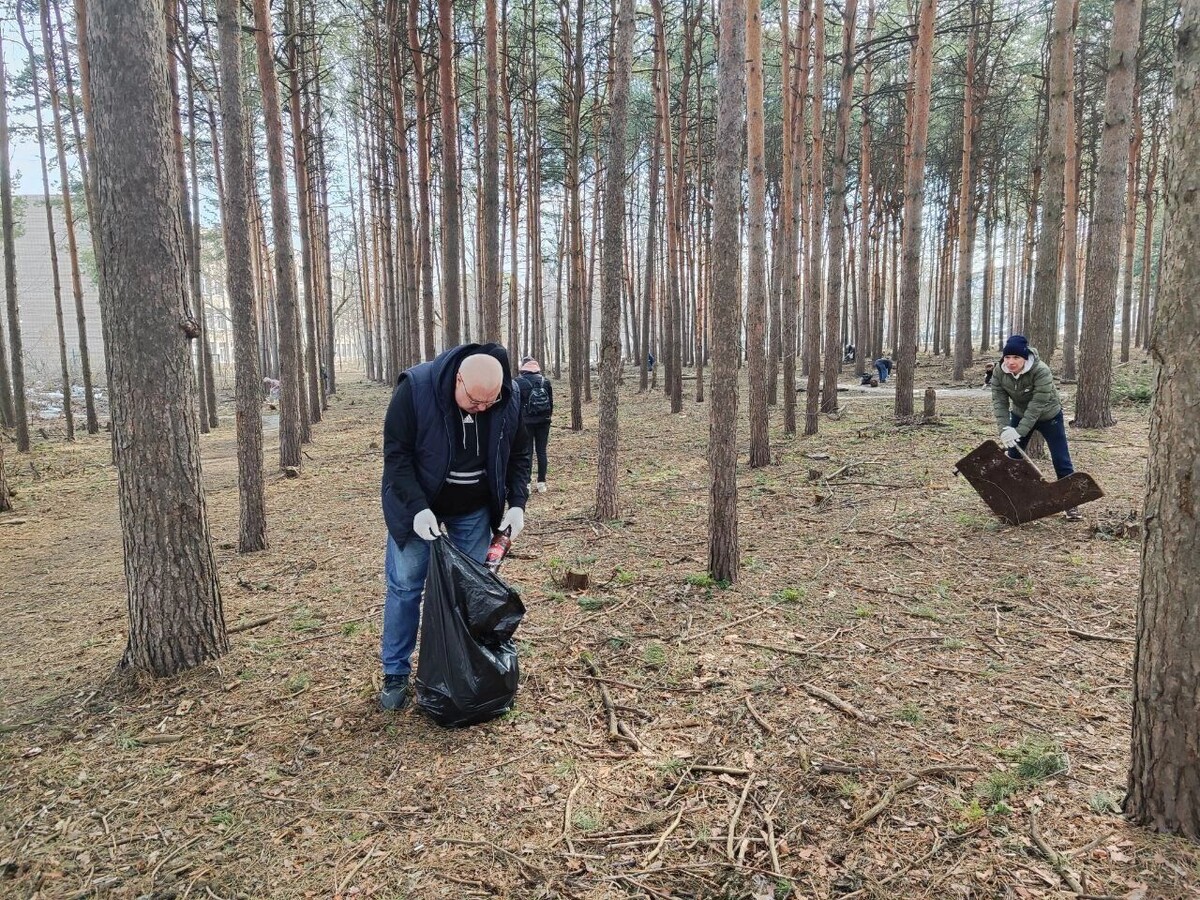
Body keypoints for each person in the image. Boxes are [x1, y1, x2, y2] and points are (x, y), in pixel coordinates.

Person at [379, 343, 532, 710]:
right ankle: (395, 674)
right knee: (405, 588)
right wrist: (417, 508)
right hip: (418, 508)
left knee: (471, 589)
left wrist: (517, 504)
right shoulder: (415, 389)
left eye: (488, 404)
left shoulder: (506, 398)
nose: (482, 409)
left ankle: (465, 668)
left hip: (472, 511)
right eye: (475, 402)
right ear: (458, 380)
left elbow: (520, 452)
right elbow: (396, 455)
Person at [991, 334, 1080, 520]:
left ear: (1025, 357)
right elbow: (999, 402)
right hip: (1019, 414)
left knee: (1061, 458)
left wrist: (1019, 431)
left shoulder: (1041, 370)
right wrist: (1005, 429)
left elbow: (1037, 405)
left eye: (1016, 357)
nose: (1011, 362)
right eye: (1007, 357)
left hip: (1049, 415)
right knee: (1013, 457)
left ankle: (1071, 504)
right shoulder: (999, 371)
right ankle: (1010, 499)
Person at [516, 356, 553, 493]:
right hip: (544, 422)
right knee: (542, 451)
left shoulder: (518, 382)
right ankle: (542, 483)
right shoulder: (546, 382)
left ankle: (527, 484)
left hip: (526, 423)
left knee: (528, 452)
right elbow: (551, 404)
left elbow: (516, 405)